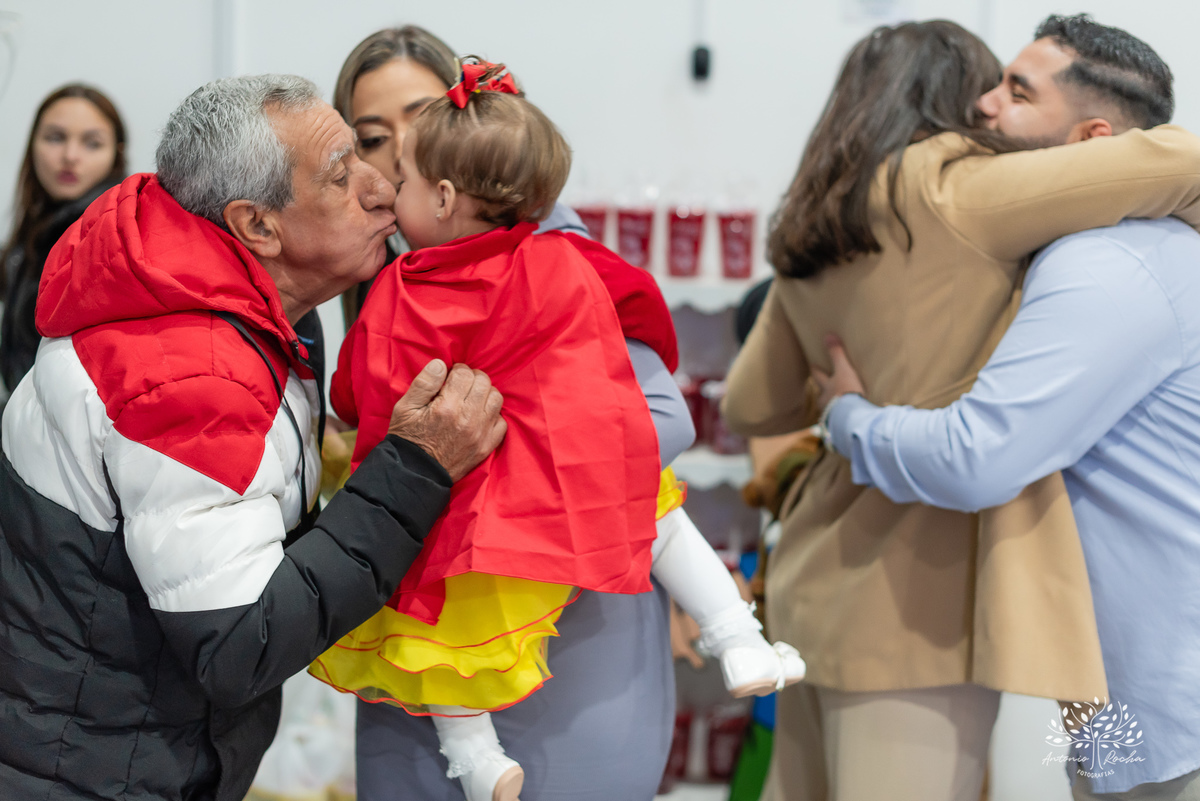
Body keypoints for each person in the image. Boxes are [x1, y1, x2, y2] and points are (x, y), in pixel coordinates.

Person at [721, 18, 1200, 801]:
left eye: (1016, 90)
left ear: (1097, 140)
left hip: (820, 579)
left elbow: (752, 403)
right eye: (988, 84)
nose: (984, 107)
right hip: (926, 603)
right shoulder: (959, 197)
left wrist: (844, 407)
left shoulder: (835, 220)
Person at [0, 74, 505, 801]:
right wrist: (415, 470)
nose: (383, 189)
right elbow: (239, 642)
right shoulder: (185, 371)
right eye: (343, 173)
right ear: (257, 226)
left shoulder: (248, 306)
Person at [311, 60, 804, 801]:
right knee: (661, 515)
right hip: (574, 492)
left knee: (432, 630)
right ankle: (736, 633)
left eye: (402, 165)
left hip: (466, 523)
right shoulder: (565, 262)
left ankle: (475, 756)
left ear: (444, 195)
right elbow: (626, 354)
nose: (385, 181)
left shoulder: (403, 290)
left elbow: (358, 393)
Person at [0, 84, 127, 397]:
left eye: (92, 143)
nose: (70, 156)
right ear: (33, 145)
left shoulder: (112, 239)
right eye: (55, 138)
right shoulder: (36, 228)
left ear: (115, 155)